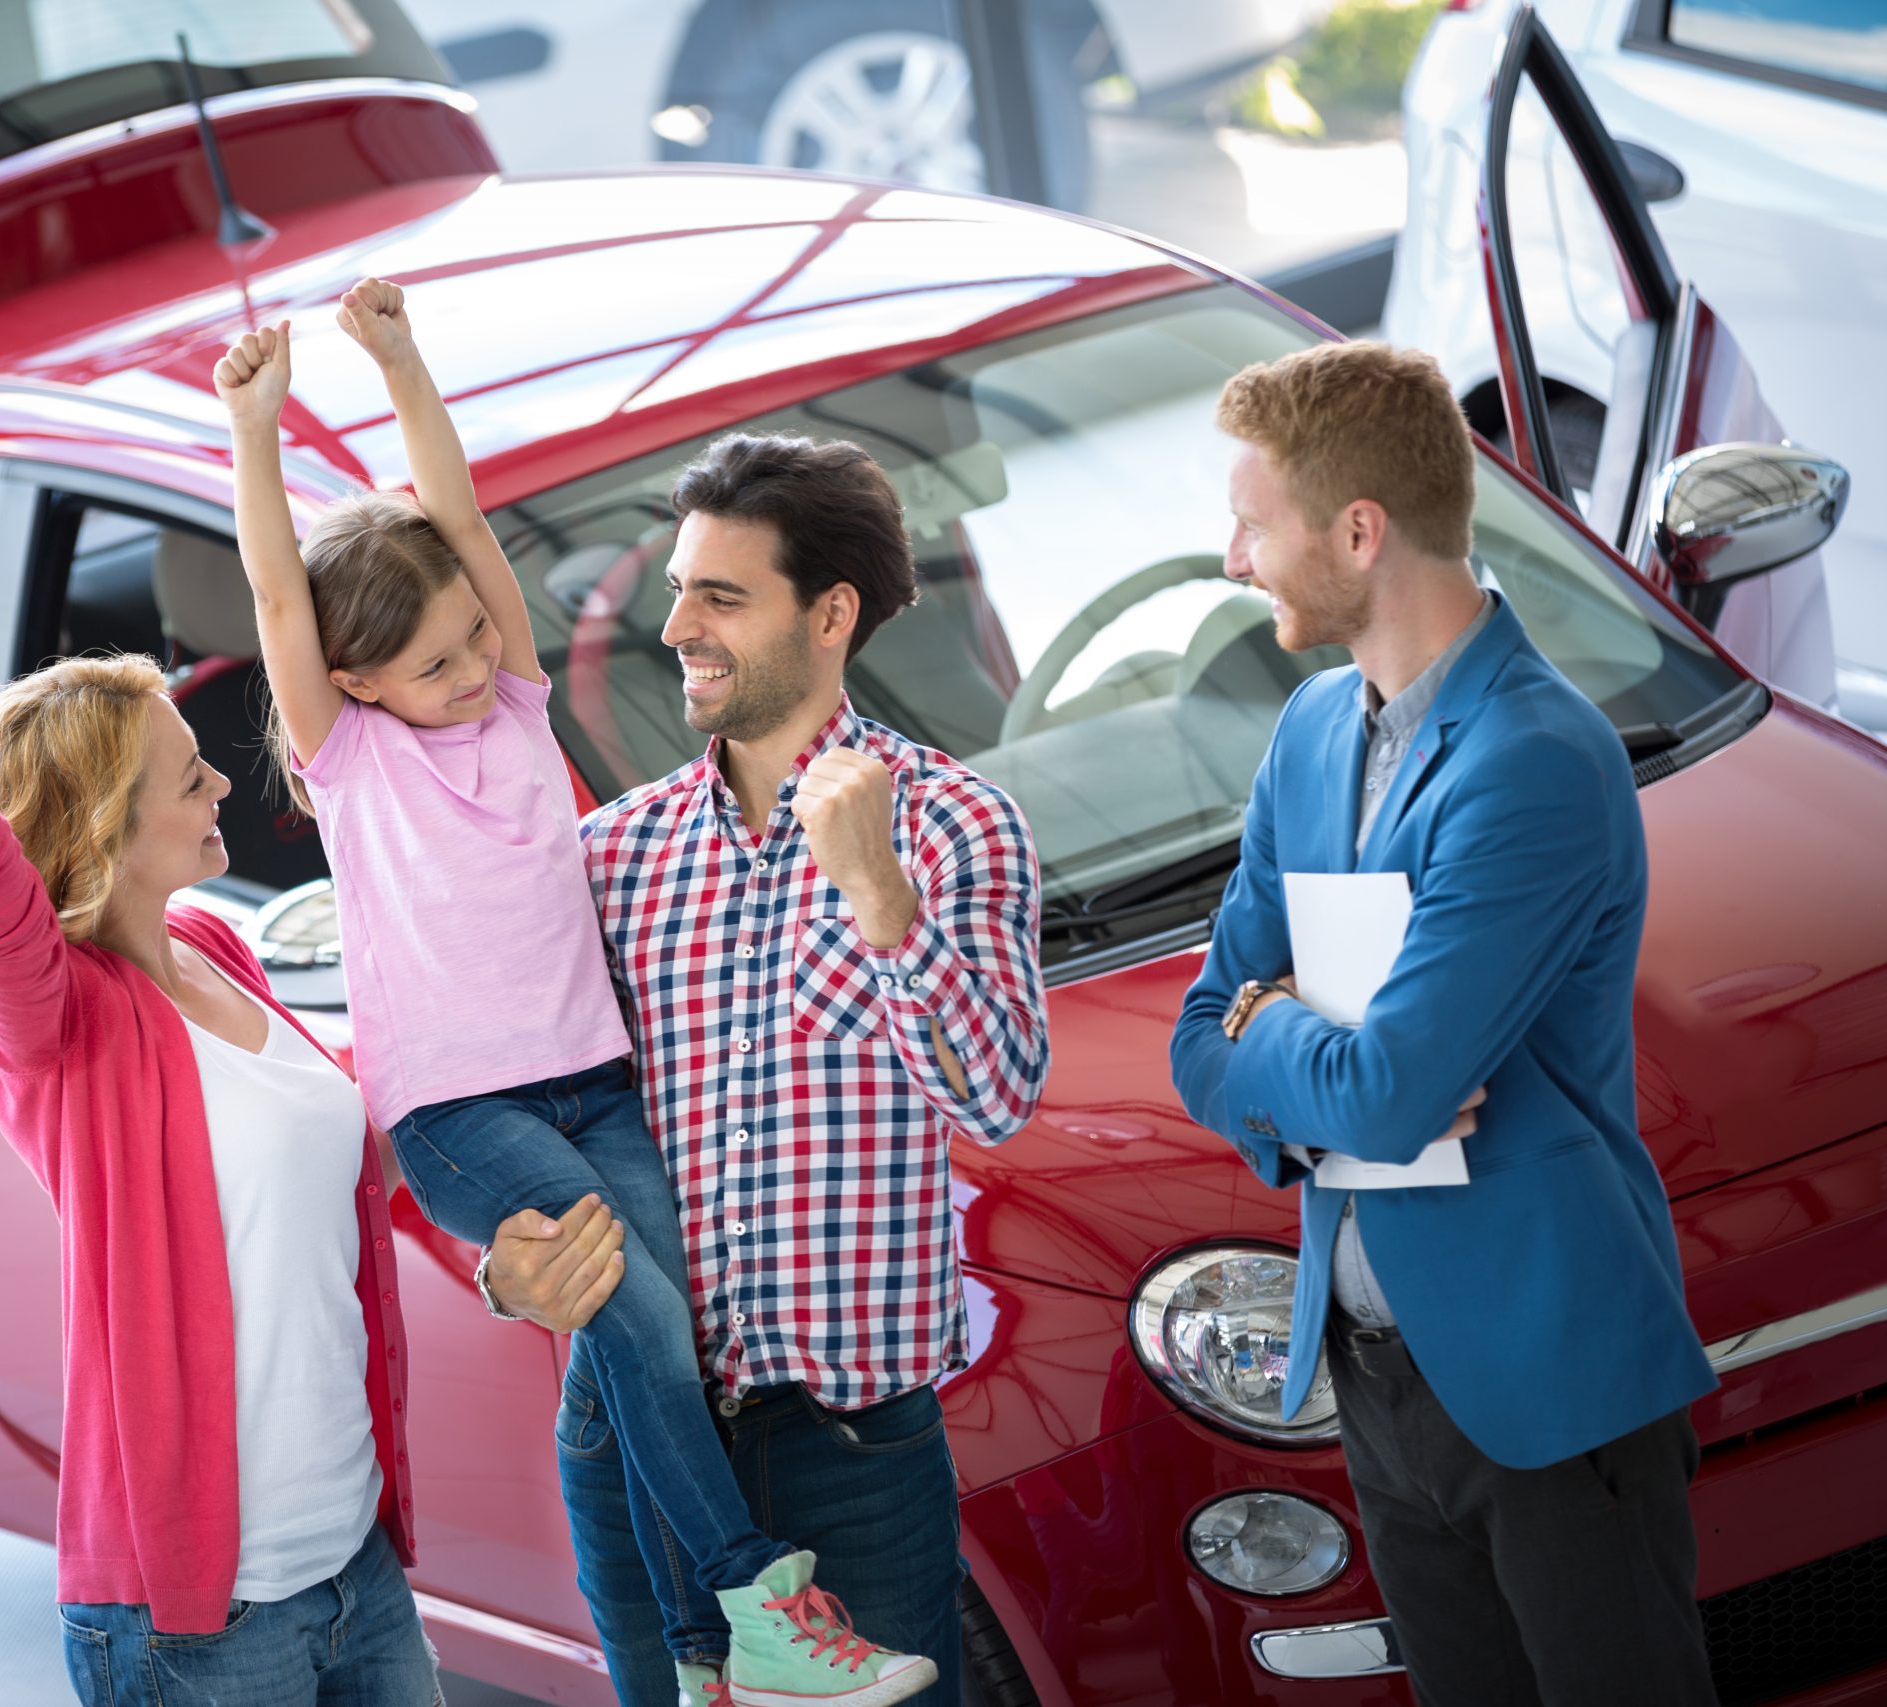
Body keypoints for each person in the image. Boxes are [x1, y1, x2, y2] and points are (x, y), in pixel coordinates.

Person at [217, 281, 933, 1707]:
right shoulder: (357, 760)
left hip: (590, 1079)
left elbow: (464, 521)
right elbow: (274, 588)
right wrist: (255, 425)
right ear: (355, 682)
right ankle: (752, 1597)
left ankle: (705, 1657)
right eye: (435, 663)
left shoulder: (517, 702)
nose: (477, 663)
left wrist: (399, 361)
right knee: (639, 1319)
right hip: (460, 1106)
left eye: (481, 638)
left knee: (668, 1329)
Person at [0, 564, 434, 1705]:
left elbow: (332, 1171)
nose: (223, 781)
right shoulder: (58, 1028)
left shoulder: (217, 952)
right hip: (205, 1620)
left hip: (354, 1564)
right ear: (105, 829)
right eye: (189, 777)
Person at [1168, 340, 1718, 1703]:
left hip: (1546, 1365)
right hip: (1380, 1379)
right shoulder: (1307, 727)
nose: (1233, 556)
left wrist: (1278, 1028)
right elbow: (1196, 1038)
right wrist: (1298, 1038)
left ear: (1360, 531)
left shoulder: (1533, 759)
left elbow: (1390, 1093)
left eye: (1253, 522)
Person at [487, 431, 1053, 1707]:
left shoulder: (955, 826)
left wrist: (876, 890)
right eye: (679, 588)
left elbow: (997, 1096)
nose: (676, 624)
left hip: (847, 1451)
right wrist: (499, 1259)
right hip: (631, 1427)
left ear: (829, 615)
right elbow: (520, 1108)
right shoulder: (610, 857)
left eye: (722, 597)